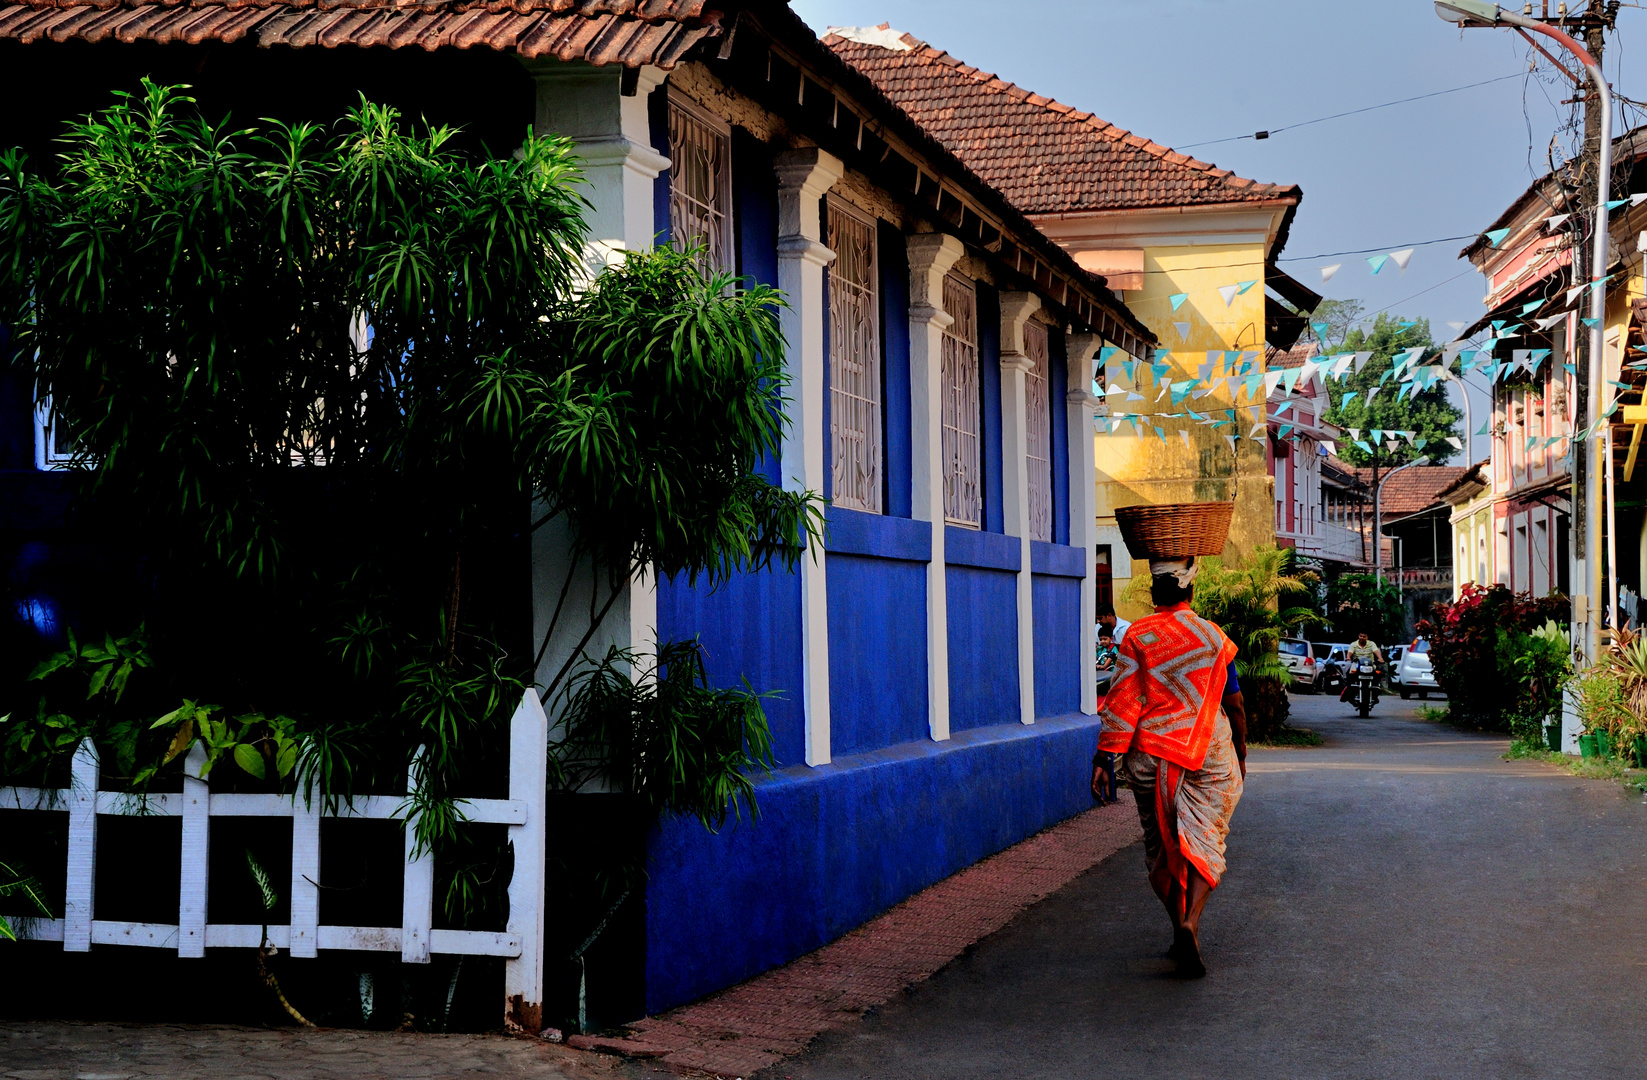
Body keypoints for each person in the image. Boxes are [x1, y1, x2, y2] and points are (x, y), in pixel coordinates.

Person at [1091, 556, 1246, 978]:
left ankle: (1177, 923)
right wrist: (1243, 750)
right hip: (1206, 752)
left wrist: (1106, 756)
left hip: (1151, 756)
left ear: (1154, 594)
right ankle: (1190, 921)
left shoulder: (1138, 634)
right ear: (1191, 591)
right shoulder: (1213, 636)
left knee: (1160, 847)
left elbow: (1123, 701)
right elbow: (1233, 702)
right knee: (1205, 838)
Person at [1339, 631, 1383, 702]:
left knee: (1377, 675)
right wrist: (1348, 657)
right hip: (1356, 665)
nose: (1362, 638)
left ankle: (1375, 693)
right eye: (1360, 636)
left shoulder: (1372, 644)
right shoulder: (1353, 644)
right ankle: (1350, 692)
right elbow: (1350, 652)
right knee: (1350, 674)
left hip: (1369, 665)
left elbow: (1376, 651)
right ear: (1358, 636)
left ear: (1367, 637)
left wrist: (1380, 658)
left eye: (1364, 636)